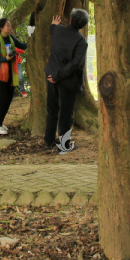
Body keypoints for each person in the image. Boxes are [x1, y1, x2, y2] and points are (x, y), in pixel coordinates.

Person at [43, 9, 89, 153]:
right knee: (66, 114)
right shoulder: (82, 41)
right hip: (67, 81)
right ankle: (64, 145)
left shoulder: (57, 31)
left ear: (70, 20)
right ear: (83, 26)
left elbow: (53, 29)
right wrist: (59, 76)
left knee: (52, 110)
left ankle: (48, 141)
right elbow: (75, 64)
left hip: (51, 77)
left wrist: (54, 25)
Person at [0, 18, 27, 135]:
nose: (10, 26)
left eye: (10, 24)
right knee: (3, 97)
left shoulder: (11, 38)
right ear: (1, 28)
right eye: (7, 25)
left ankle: (1, 123)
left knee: (9, 97)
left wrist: (32, 36)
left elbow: (23, 46)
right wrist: (4, 59)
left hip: (11, 71)